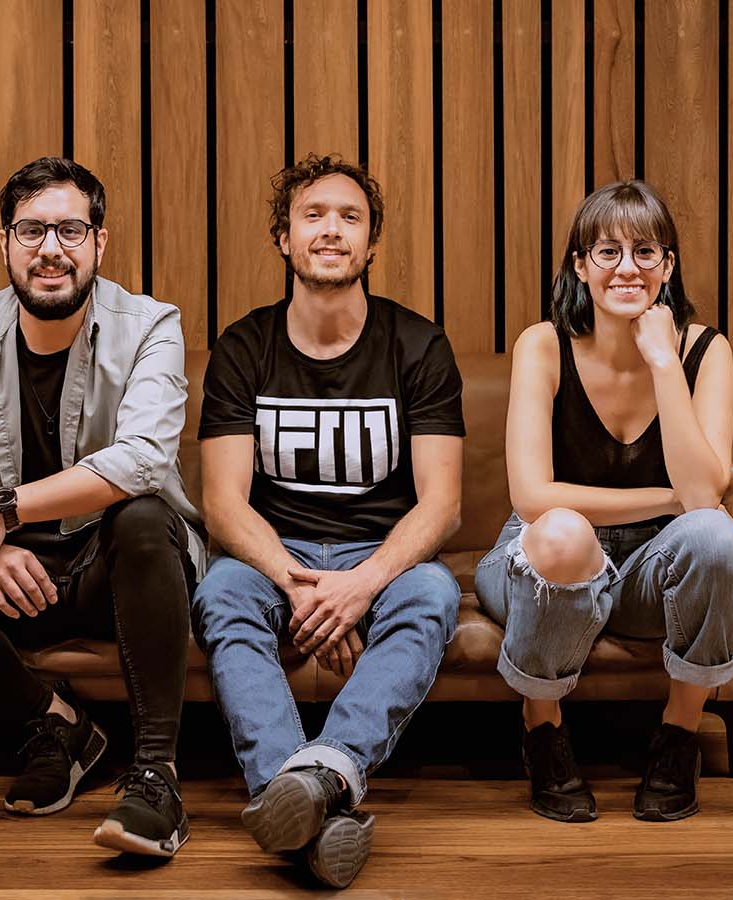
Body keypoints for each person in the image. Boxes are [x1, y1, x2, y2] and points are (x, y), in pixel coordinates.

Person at [0, 157, 205, 858]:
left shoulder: (151, 326)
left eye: (70, 230)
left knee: (144, 517)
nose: (51, 248)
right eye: (31, 230)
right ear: (5, 243)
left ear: (99, 242)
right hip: (14, 579)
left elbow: (143, 459)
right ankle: (59, 724)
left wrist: (1, 511)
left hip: (122, 571)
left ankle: (156, 773)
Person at [191, 154, 464, 888]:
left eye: (350, 217)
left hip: (381, 550)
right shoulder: (245, 347)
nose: (332, 230)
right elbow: (223, 504)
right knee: (220, 593)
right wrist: (303, 587)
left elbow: (442, 504)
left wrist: (362, 585)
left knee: (433, 593)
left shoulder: (418, 345)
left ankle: (318, 777)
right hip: (275, 553)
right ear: (284, 238)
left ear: (371, 243)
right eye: (313, 215)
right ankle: (316, 800)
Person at [476, 180, 733, 823]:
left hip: (649, 574)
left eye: (645, 252)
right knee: (565, 531)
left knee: (715, 536)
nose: (628, 268)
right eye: (608, 252)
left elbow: (703, 497)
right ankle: (543, 731)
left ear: (667, 266)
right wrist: (665, 499)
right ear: (581, 266)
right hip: (543, 560)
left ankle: (678, 737)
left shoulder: (705, 350)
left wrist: (663, 363)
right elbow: (533, 497)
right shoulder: (543, 344)